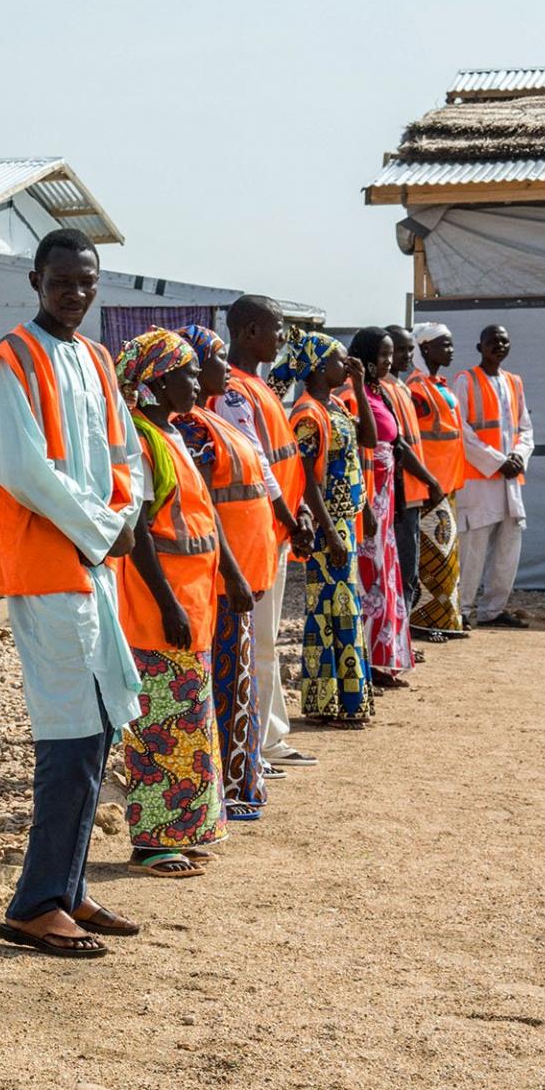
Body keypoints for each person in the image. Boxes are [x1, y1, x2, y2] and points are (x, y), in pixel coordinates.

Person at [0, 228, 146, 958]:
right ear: (36, 280)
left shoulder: (96, 359)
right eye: (62, 280)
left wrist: (124, 512)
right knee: (69, 734)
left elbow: (125, 452)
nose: (75, 292)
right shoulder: (10, 361)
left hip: (96, 567)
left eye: (87, 281)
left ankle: (67, 887)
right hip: (49, 570)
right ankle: (35, 902)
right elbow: (25, 469)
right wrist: (106, 524)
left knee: (100, 723)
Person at [113, 330, 243, 874]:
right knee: (160, 726)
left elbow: (204, 516)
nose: (197, 382)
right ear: (160, 382)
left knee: (189, 722)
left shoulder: (171, 437)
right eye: (188, 374)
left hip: (192, 602)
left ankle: (183, 828)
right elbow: (138, 528)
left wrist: (231, 576)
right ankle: (151, 840)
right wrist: (167, 603)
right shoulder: (141, 440)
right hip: (156, 606)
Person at [179, 325, 276, 821]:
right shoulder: (191, 429)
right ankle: (227, 786)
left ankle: (239, 781)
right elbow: (204, 509)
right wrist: (234, 572)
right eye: (209, 361)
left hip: (236, 568)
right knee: (224, 681)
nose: (218, 371)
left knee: (238, 679)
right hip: (217, 576)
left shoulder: (209, 420)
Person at [220, 295, 317, 772]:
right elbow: (258, 463)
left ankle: (269, 735)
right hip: (253, 531)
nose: (283, 338)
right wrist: (290, 514)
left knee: (266, 639)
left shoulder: (257, 386)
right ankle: (255, 742)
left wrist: (293, 516)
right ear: (251, 329)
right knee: (256, 640)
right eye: (277, 328)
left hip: (272, 528)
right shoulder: (232, 390)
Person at [279, 332, 375, 728]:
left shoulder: (332, 404)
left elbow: (369, 438)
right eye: (339, 359)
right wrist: (331, 533)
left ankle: (346, 701)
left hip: (343, 522)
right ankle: (328, 702)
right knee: (327, 613)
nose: (347, 364)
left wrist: (362, 388)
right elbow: (307, 480)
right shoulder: (307, 414)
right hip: (327, 528)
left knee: (344, 610)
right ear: (318, 368)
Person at [340, 328, 413, 687]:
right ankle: (366, 663)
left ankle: (384, 660)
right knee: (369, 582)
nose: (388, 362)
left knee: (384, 579)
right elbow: (358, 451)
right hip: (367, 499)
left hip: (385, 500)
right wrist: (364, 503)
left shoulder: (377, 393)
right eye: (383, 356)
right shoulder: (351, 398)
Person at [452, 324, 534, 629]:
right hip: (479, 480)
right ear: (480, 347)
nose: (499, 346)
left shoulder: (514, 382)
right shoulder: (466, 380)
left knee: (508, 546)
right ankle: (461, 609)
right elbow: (461, 430)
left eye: (504, 341)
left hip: (509, 480)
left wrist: (518, 457)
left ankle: (493, 610)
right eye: (492, 342)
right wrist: (498, 461)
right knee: (473, 547)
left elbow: (525, 429)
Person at [405, 323, 470, 638]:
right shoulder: (416, 389)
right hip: (429, 485)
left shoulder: (438, 384)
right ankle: (423, 621)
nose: (451, 350)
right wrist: (426, 481)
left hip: (446, 482)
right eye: (444, 344)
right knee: (431, 558)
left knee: (447, 556)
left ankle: (446, 618)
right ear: (425, 348)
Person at [384, 324, 446, 631]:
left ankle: (401, 637)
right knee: (399, 570)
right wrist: (430, 479)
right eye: (400, 349)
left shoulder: (402, 388)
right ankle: (397, 640)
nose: (407, 355)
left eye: (410, 349)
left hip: (411, 492)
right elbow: (400, 446)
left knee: (409, 570)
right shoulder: (382, 390)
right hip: (397, 493)